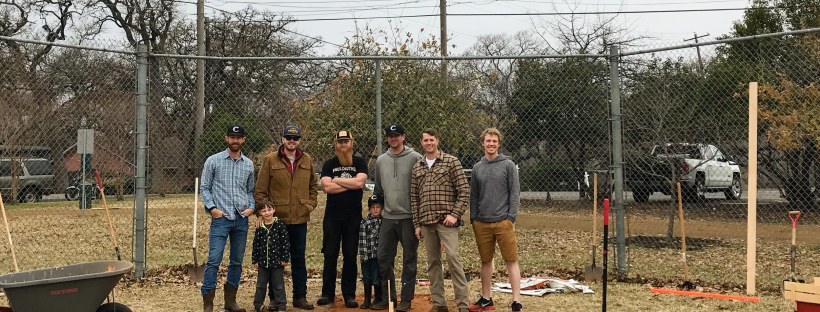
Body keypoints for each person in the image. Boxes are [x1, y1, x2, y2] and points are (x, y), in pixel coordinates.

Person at [254, 125, 318, 311]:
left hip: (299, 219)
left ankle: (300, 297)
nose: (292, 141)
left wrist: (309, 204)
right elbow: (260, 190)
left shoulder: (307, 160)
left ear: (299, 140)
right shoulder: (270, 160)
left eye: (295, 138)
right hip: (276, 221)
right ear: (282, 139)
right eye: (288, 138)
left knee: (299, 259)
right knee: (274, 261)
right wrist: (264, 212)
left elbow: (314, 186)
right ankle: (275, 299)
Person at [410, 128, 471, 312]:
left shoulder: (451, 162)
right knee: (433, 263)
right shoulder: (417, 167)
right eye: (425, 140)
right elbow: (414, 198)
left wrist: (455, 214)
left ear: (438, 140)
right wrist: (417, 224)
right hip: (426, 222)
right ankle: (439, 304)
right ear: (421, 143)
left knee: (453, 259)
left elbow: (464, 191)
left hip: (446, 221)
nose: (429, 143)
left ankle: (462, 305)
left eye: (432, 140)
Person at [200, 124, 256, 312]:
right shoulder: (213, 161)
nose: (235, 140)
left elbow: (249, 190)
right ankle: (208, 303)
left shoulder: (248, 164)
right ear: (226, 139)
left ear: (243, 140)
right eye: (232, 137)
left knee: (237, 261)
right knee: (214, 260)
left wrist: (251, 207)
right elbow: (205, 188)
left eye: (239, 137)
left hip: (241, 218)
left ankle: (230, 302)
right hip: (221, 219)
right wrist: (212, 208)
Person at [467, 128, 523, 312]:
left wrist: (511, 218)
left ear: (499, 144)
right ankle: (486, 298)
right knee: (485, 261)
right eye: (488, 141)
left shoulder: (508, 165)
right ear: (483, 143)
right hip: (482, 222)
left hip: (503, 221)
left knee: (511, 260)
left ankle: (516, 301)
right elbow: (474, 195)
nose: (491, 144)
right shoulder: (477, 167)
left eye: (494, 141)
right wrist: (473, 218)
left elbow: (514, 194)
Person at [372, 124, 422, 311]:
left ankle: (406, 299)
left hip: (408, 217)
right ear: (387, 138)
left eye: (397, 135)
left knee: (409, 258)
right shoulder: (381, 161)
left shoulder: (415, 158)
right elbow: (378, 189)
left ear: (403, 137)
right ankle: (388, 297)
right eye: (390, 136)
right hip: (388, 216)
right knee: (383, 256)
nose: (393, 139)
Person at [316, 130, 368, 308]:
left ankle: (349, 295)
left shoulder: (359, 162)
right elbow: (326, 188)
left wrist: (336, 180)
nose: (343, 145)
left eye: (346, 141)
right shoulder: (329, 163)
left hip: (353, 217)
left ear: (351, 142)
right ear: (336, 143)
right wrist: (349, 183)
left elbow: (360, 183)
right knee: (330, 255)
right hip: (332, 217)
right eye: (340, 142)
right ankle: (327, 294)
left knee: (350, 255)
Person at [251, 203, 290, 312]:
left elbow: (285, 243)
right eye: (264, 211)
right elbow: (256, 244)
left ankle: (281, 305)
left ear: (274, 210)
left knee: (278, 285)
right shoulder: (260, 227)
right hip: (263, 263)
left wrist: (285, 258)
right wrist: (255, 260)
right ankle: (258, 305)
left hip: (277, 263)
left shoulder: (280, 225)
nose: (267, 213)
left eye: (269, 209)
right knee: (260, 285)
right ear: (260, 213)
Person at [359, 194, 384, 309]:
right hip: (366, 256)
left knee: (376, 278)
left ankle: (378, 298)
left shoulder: (383, 222)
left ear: (381, 208)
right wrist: (363, 256)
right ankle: (367, 300)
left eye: (378, 207)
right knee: (366, 278)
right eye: (373, 207)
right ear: (369, 208)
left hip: (377, 257)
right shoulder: (365, 222)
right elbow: (362, 239)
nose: (375, 210)